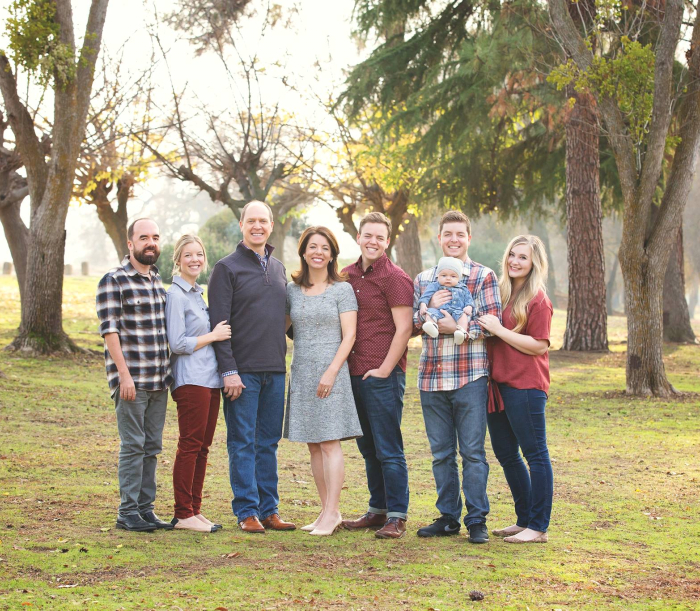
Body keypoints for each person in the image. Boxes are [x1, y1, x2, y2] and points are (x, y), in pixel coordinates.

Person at [413, 210, 502, 543]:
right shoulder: (424, 279)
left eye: (459, 234)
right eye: (447, 234)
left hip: (470, 377)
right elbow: (413, 320)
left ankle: (476, 518)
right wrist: (428, 312)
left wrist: (458, 328)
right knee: (441, 454)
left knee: (473, 453)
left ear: (468, 238)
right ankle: (447, 517)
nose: (453, 240)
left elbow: (492, 323)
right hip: (431, 379)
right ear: (439, 238)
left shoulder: (483, 276)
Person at [208, 200, 296, 534]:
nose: (257, 226)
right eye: (251, 221)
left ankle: (269, 509)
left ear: (271, 225)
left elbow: (286, 321)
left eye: (263, 221)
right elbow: (219, 322)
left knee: (268, 442)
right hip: (241, 372)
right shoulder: (225, 268)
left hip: (275, 368)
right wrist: (228, 370)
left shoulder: (278, 268)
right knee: (242, 441)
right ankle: (247, 511)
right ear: (242, 224)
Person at [96, 218, 174, 532]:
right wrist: (123, 375)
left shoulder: (157, 281)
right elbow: (109, 331)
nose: (150, 242)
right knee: (133, 446)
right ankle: (127, 512)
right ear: (130, 244)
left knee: (152, 447)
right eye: (144, 237)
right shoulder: (113, 280)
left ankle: (145, 510)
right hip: (132, 381)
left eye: (155, 237)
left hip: (159, 380)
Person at [284, 227, 362, 536]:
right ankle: (326, 511)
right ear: (303, 251)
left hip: (332, 371)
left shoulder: (341, 290)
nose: (319, 252)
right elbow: (281, 325)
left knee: (330, 442)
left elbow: (350, 335)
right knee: (313, 445)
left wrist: (331, 371)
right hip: (302, 371)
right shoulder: (291, 290)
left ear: (332, 254)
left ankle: (332, 512)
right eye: (313, 246)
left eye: (325, 248)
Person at [341, 212, 415, 540]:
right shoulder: (346, 275)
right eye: (367, 235)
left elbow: (404, 329)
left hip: (383, 375)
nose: (373, 242)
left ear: (388, 242)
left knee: (388, 447)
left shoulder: (395, 278)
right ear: (358, 237)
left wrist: (385, 369)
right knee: (367, 447)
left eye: (379, 237)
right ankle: (377, 509)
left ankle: (397, 515)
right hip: (352, 374)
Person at [477, 235, 553, 544]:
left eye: (522, 257)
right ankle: (523, 520)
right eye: (512, 254)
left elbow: (539, 346)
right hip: (498, 385)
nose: (514, 261)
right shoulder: (501, 294)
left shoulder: (538, 299)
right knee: (507, 454)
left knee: (535, 454)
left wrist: (499, 330)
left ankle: (538, 526)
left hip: (525, 385)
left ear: (534, 263)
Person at [165, 235, 231, 533]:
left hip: (209, 378)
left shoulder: (197, 294)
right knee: (190, 445)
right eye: (188, 255)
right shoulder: (176, 295)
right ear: (178, 259)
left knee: (203, 447)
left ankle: (194, 509)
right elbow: (177, 343)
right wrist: (213, 336)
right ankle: (182, 513)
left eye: (199, 254)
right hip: (190, 379)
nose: (195, 259)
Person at [418, 256, 475, 345]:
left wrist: (469, 306)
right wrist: (423, 304)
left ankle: (461, 332)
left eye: (453, 276)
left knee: (463, 316)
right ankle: (431, 325)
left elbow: (469, 299)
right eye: (444, 275)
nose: (448, 278)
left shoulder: (463, 288)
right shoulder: (434, 286)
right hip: (439, 310)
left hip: (457, 311)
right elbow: (426, 296)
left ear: (459, 278)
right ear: (438, 275)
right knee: (429, 312)